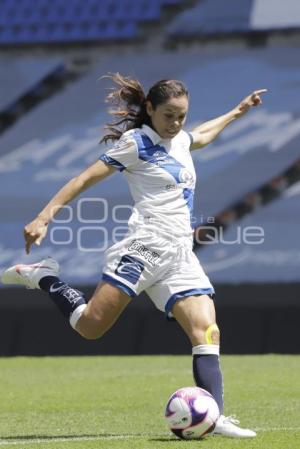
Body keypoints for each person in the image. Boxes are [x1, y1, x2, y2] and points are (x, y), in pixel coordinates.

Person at [1, 73, 267, 438]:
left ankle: (212, 416)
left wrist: (237, 111)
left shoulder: (180, 141)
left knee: (207, 331)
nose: (175, 124)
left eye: (181, 116)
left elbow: (201, 136)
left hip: (179, 254)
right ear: (149, 109)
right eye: (169, 115)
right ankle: (43, 275)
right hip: (143, 248)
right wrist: (44, 216)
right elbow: (83, 179)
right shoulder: (136, 143)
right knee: (90, 327)